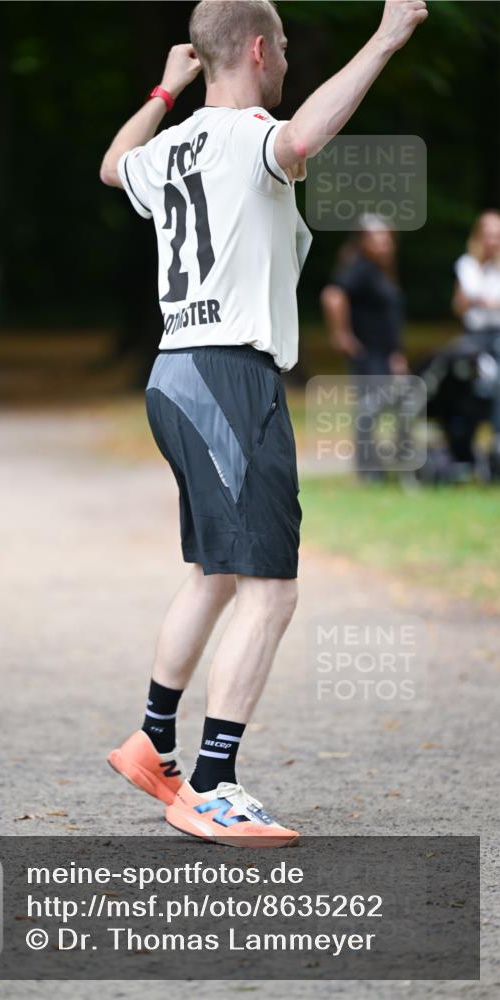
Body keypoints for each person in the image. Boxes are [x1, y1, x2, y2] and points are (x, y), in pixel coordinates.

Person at [100, 0, 427, 846]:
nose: (283, 57)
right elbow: (302, 138)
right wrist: (387, 34)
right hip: (228, 375)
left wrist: (164, 92)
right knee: (269, 587)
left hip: (174, 373)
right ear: (256, 47)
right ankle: (211, 785)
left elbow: (111, 167)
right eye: (280, 44)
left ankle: (151, 737)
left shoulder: (168, 146)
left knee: (217, 569)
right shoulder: (254, 136)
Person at [321, 215, 408, 478]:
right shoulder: (360, 268)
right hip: (368, 353)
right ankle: (369, 469)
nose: (384, 246)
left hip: (384, 353)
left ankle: (387, 463)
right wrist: (341, 334)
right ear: (363, 243)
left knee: (391, 404)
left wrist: (396, 353)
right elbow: (333, 295)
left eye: (387, 240)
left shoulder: (380, 272)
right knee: (370, 407)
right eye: (377, 240)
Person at [452, 210, 500, 471]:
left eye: (497, 236)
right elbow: (460, 304)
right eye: (488, 235)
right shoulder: (467, 265)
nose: (493, 241)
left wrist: (482, 302)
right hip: (474, 338)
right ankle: (463, 447)